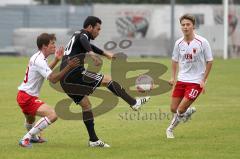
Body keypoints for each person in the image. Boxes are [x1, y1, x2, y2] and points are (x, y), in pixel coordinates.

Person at [60, 16, 150, 147]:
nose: (99, 31)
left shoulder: (78, 34)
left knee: (86, 105)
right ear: (90, 27)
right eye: (98, 29)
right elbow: (85, 41)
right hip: (74, 74)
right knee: (107, 79)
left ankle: (93, 140)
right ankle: (134, 102)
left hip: (65, 79)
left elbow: (88, 44)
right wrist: (91, 54)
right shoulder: (83, 35)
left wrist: (105, 53)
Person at [17, 33, 80, 148]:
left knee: (30, 120)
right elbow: (53, 79)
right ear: (44, 46)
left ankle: (34, 138)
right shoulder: (39, 60)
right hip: (27, 97)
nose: (54, 46)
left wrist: (56, 60)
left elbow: (45, 71)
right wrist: (68, 67)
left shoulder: (39, 57)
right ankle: (25, 139)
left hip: (24, 95)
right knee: (53, 114)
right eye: (52, 43)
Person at [166, 14, 213, 138]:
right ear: (180, 27)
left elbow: (210, 61)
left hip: (196, 81)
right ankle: (188, 112)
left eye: (188, 24)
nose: (185, 27)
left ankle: (170, 129)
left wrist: (204, 80)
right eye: (183, 25)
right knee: (173, 108)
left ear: (193, 26)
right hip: (182, 79)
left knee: (180, 109)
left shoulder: (202, 42)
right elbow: (175, 60)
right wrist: (172, 77)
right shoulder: (178, 43)